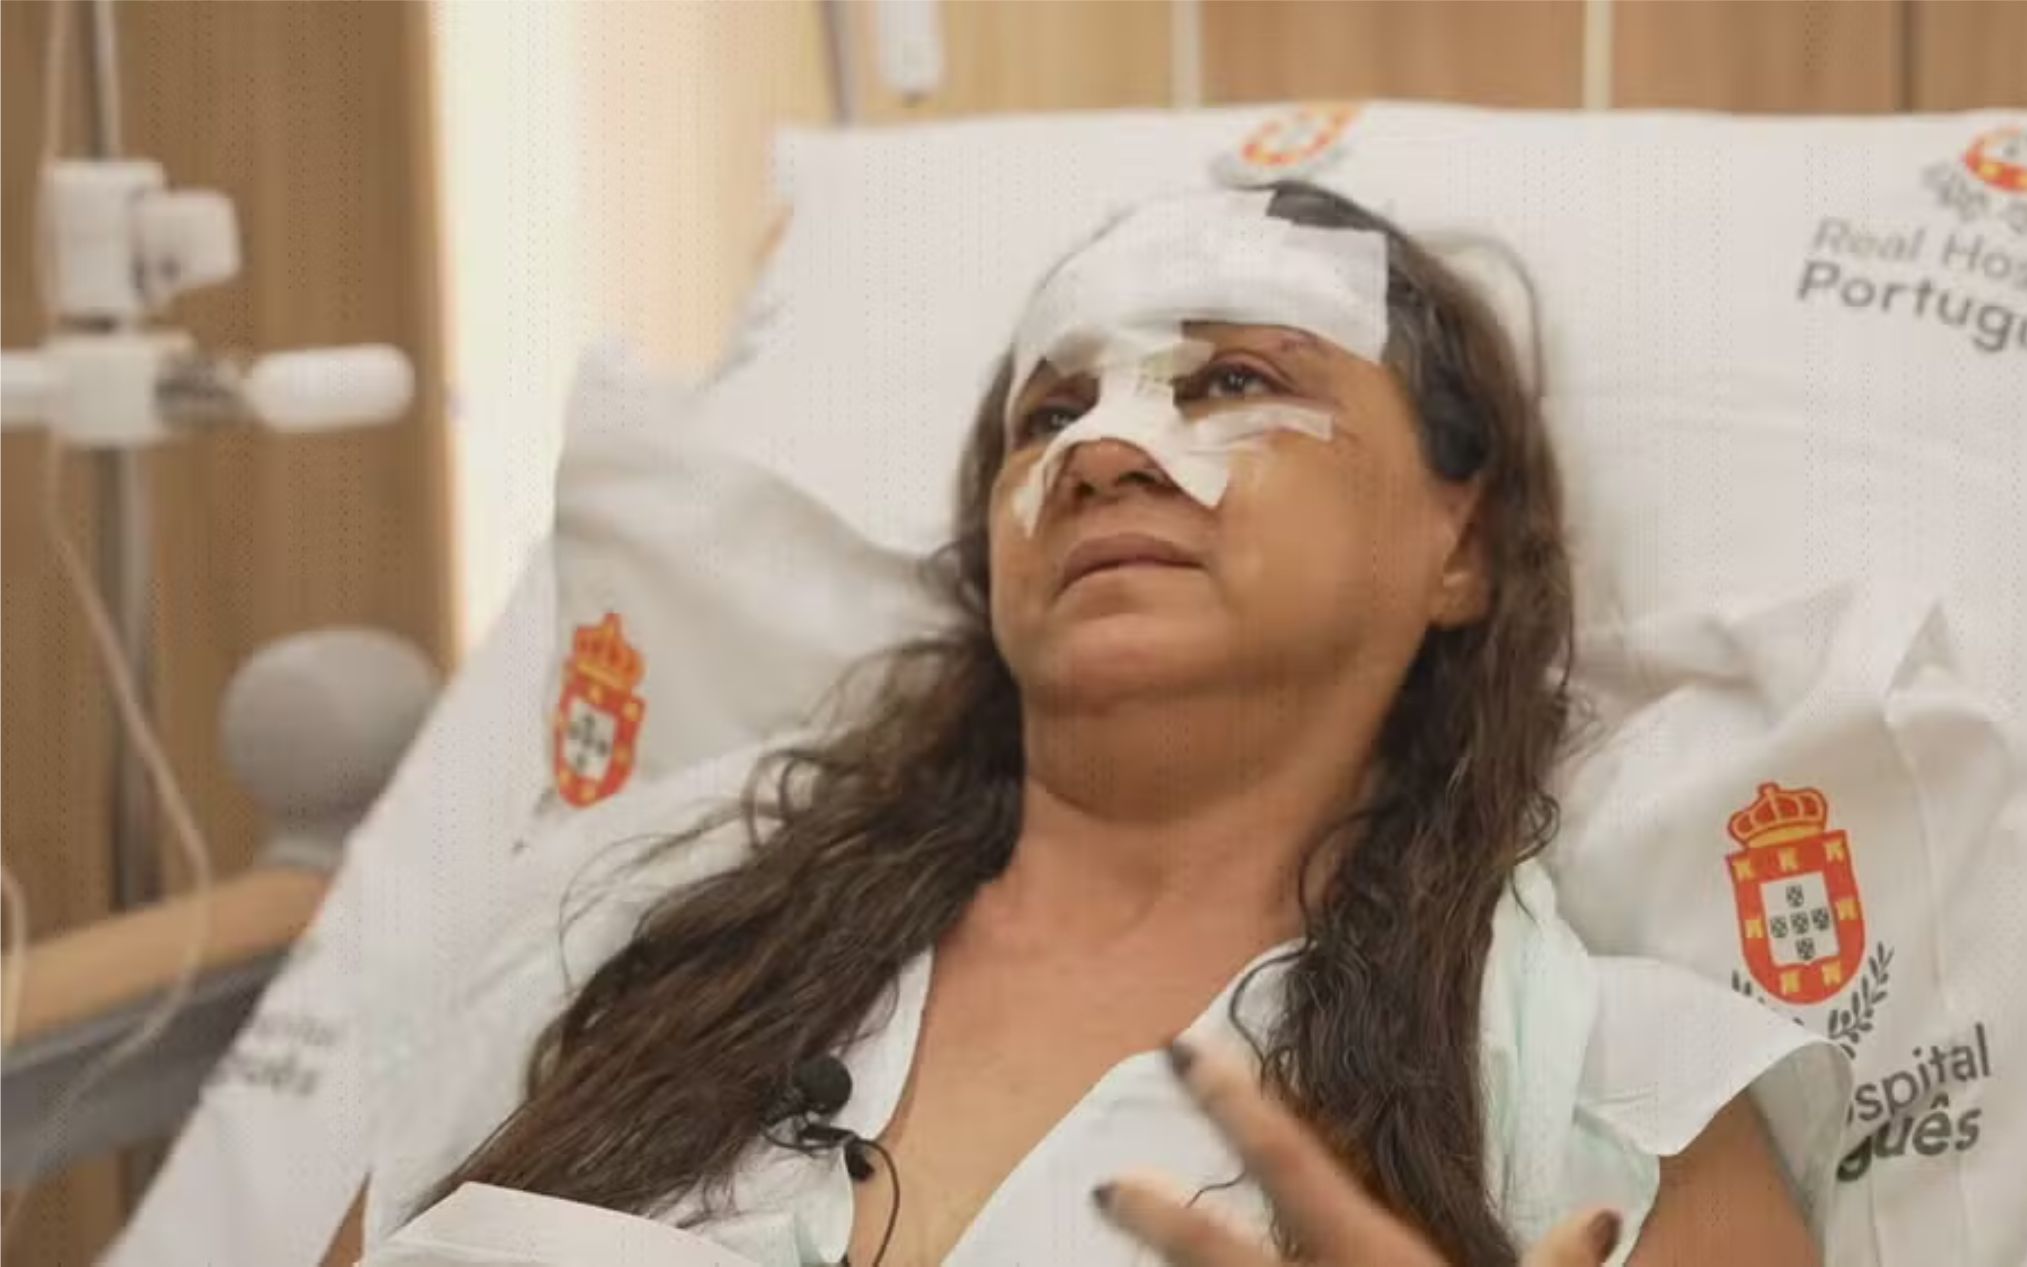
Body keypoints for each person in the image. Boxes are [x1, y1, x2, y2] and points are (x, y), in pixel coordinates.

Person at [333, 182, 1840, 1267]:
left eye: (1234, 382)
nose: (1106, 451)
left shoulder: (1607, 1097)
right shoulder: (640, 938)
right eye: (1051, 414)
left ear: (1464, 546)